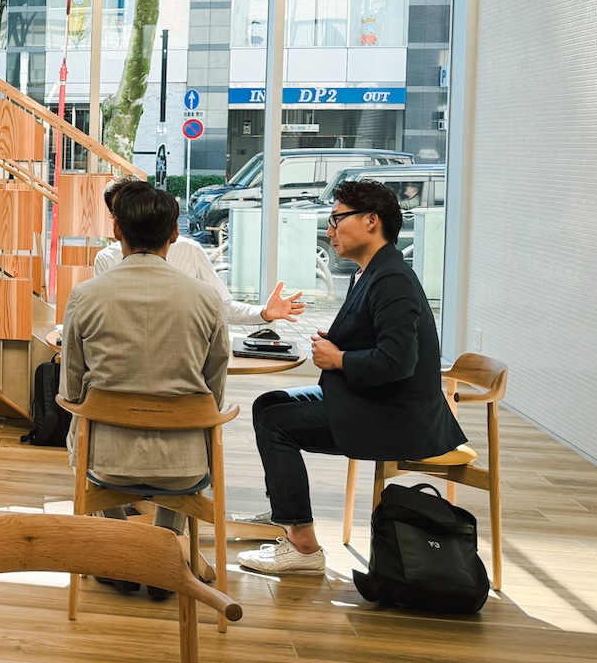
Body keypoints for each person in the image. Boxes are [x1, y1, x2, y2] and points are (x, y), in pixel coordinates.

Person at [237, 179, 464, 576]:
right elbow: (380, 339)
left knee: (276, 424)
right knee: (268, 404)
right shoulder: (373, 272)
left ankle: (303, 547)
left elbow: (399, 362)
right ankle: (287, 513)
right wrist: (341, 343)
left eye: (336, 219)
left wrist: (339, 358)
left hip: (393, 416)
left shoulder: (391, 279)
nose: (330, 231)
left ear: (371, 220)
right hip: (374, 401)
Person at [62, 181, 229, 597]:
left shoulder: (85, 296)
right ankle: (165, 548)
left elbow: (72, 389)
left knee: (79, 426)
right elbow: (214, 393)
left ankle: (122, 548)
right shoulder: (206, 299)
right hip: (186, 464)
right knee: (198, 425)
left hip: (107, 459)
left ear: (116, 229)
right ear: (174, 233)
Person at [95, 177, 304, 327]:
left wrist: (263, 313)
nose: (135, 215)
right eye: (123, 211)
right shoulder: (106, 259)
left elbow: (220, 307)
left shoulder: (189, 250)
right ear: (114, 222)